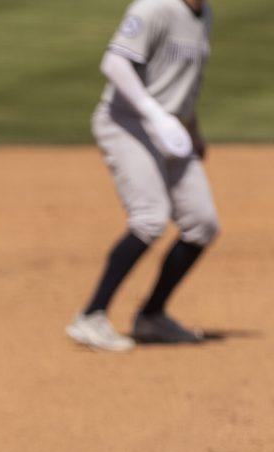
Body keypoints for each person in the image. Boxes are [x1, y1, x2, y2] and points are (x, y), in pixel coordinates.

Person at [66, 0, 219, 351]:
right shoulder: (154, 8)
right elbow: (115, 62)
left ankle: (151, 317)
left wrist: (191, 130)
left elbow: (185, 81)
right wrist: (154, 114)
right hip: (128, 125)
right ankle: (90, 316)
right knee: (149, 218)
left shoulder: (205, 13)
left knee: (202, 223)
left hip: (171, 130)